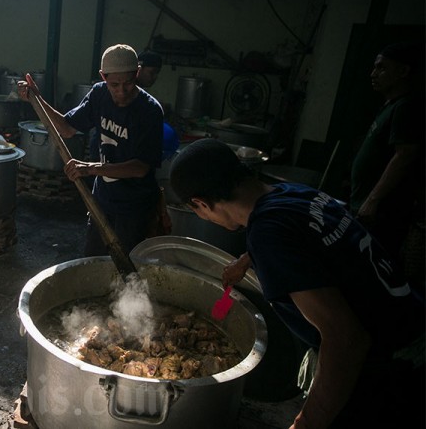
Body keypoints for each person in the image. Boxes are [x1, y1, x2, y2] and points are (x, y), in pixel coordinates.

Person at [170, 138, 424, 429]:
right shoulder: (294, 193)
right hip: (411, 318)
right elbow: (307, 237)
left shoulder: (268, 234)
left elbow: (346, 340)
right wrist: (247, 259)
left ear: (200, 204)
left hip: (392, 368)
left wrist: (306, 422)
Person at [17, 43, 164, 256]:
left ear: (137, 73)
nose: (121, 91)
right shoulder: (99, 95)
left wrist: (91, 169)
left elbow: (141, 168)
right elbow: (67, 128)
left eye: (129, 83)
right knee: (93, 261)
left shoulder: (150, 110)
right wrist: (37, 98)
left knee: (129, 270)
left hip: (135, 207)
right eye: (114, 84)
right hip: (103, 200)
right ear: (103, 76)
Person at [350, 42, 425, 294]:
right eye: (374, 67)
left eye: (382, 68)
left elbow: (405, 155)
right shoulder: (390, 106)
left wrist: (373, 199)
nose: (373, 73)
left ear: (403, 72)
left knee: (374, 271)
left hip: (383, 212)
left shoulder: (406, 107)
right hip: (367, 205)